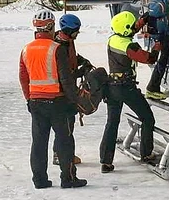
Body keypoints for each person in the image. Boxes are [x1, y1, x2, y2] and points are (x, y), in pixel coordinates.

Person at [19, 10, 95, 189]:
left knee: (38, 143)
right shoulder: (56, 49)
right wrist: (76, 100)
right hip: (58, 102)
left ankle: (39, 180)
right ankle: (68, 179)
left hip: (36, 102)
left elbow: (23, 77)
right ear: (51, 26)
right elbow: (65, 79)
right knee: (64, 141)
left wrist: (29, 99)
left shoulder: (26, 49)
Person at [100, 10, 159, 173]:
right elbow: (149, 58)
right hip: (126, 88)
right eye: (132, 26)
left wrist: (142, 21)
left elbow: (128, 31)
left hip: (111, 87)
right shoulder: (130, 46)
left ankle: (106, 161)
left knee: (112, 123)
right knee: (147, 118)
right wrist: (157, 47)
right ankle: (146, 153)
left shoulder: (113, 39)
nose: (134, 28)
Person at [51, 13, 92, 167]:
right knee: (65, 125)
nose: (77, 33)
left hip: (68, 88)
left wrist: (82, 61)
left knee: (69, 123)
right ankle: (60, 155)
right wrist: (80, 72)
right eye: (76, 31)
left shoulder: (68, 41)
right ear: (68, 30)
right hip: (62, 91)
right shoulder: (59, 46)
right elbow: (64, 75)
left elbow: (72, 57)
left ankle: (65, 153)